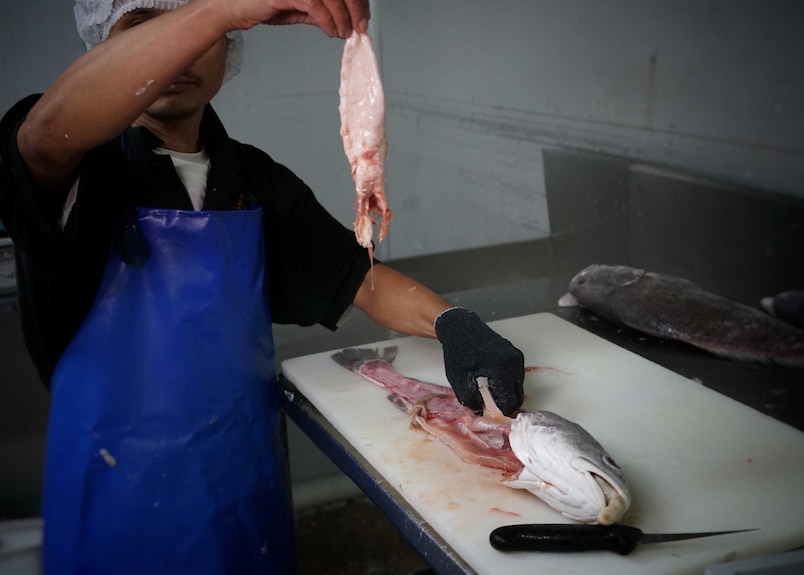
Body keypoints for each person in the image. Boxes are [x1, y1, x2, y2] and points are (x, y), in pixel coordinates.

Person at [0, 0, 525, 573]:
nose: (177, 48)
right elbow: (47, 134)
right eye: (141, 26)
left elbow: (363, 282)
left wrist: (453, 323)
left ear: (230, 48)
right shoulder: (76, 163)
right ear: (104, 44)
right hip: (114, 499)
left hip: (241, 484)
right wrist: (220, 8)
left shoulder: (253, 178)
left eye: (194, 28)